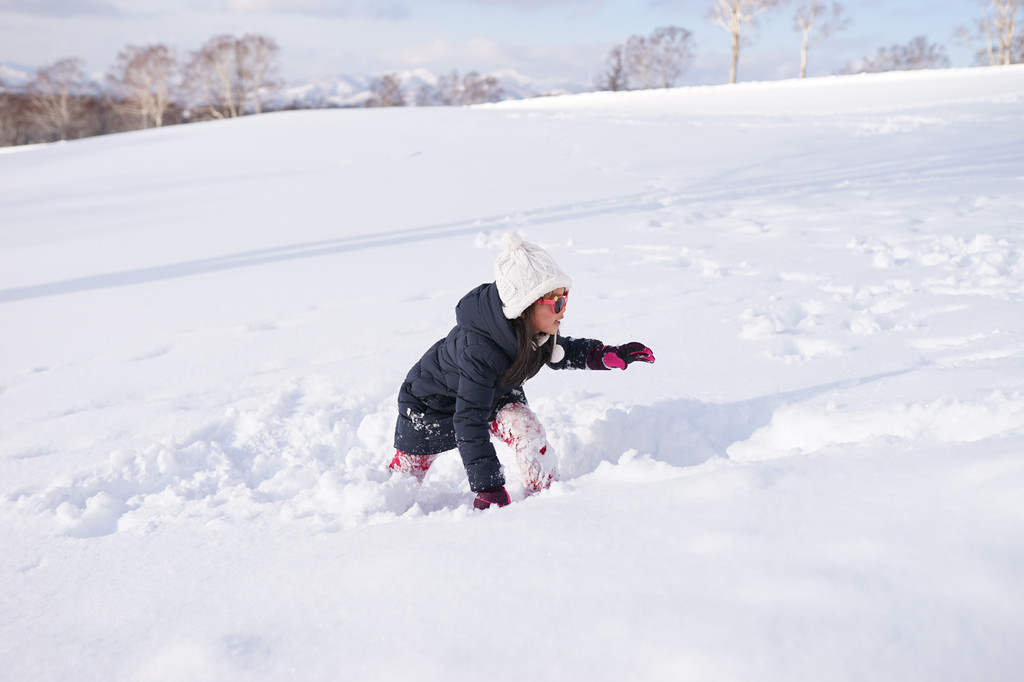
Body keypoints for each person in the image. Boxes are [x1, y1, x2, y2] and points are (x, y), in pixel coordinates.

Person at [389, 232, 655, 509]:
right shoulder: (479, 350)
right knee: (403, 482)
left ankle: (546, 500)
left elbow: (559, 351)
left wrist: (602, 355)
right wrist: (488, 487)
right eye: (556, 302)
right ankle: (381, 505)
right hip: (429, 406)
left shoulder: (531, 331)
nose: (563, 311)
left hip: (493, 392)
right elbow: (468, 421)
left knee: (526, 428)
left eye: (566, 298)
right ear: (525, 307)